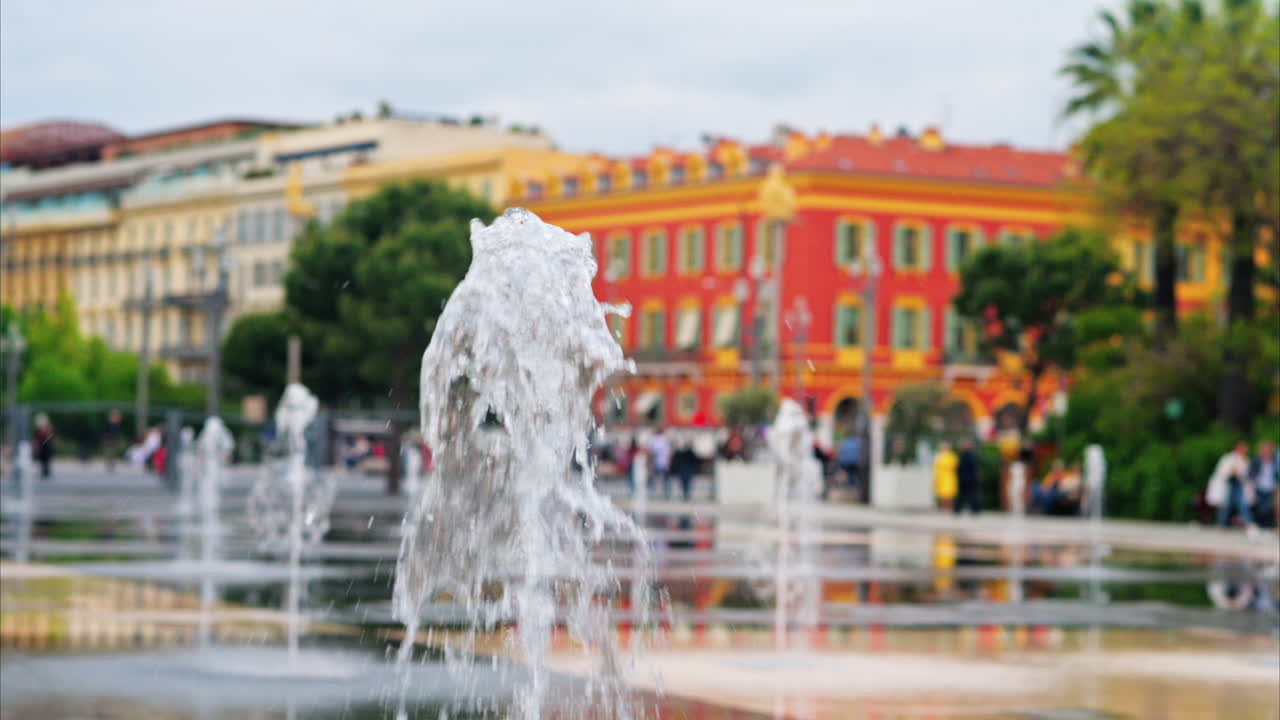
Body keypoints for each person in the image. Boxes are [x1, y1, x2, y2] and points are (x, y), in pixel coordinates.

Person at [1206, 441, 1256, 533]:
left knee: (1242, 505)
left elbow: (1246, 475)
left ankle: (1248, 523)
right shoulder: (1228, 458)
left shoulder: (1245, 459)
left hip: (1239, 485)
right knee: (1226, 506)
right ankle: (1221, 524)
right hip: (1228, 485)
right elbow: (1221, 471)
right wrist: (1231, 472)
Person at [1250, 441, 1278, 529]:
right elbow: (1251, 471)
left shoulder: (1274, 460)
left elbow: (1276, 472)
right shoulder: (1257, 458)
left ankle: (1264, 524)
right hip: (1259, 485)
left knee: (1267, 506)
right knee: (1259, 506)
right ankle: (1259, 524)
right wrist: (1253, 479)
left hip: (1270, 486)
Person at [955, 439, 981, 515]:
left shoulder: (971, 456)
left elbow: (976, 467)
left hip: (969, 478)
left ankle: (975, 509)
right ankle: (958, 509)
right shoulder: (963, 456)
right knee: (963, 495)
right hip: (965, 478)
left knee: (971, 495)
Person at [933, 442, 958, 512]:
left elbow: (953, 467)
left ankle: (949, 509)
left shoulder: (951, 456)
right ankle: (943, 509)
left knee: (949, 495)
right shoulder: (939, 456)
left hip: (949, 477)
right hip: (941, 478)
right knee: (942, 495)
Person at [648, 427, 672, 497]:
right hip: (665, 462)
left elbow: (652, 453)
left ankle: (654, 492)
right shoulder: (666, 440)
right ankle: (667, 492)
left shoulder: (654, 440)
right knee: (666, 479)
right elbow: (669, 453)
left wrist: (649, 463)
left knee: (655, 478)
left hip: (656, 462)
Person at [32, 413, 55, 480]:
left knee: (47, 461)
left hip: (47, 448)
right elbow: (36, 440)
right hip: (42, 448)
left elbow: (51, 437)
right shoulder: (37, 431)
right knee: (42, 461)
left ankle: (46, 472)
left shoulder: (48, 429)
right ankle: (44, 472)